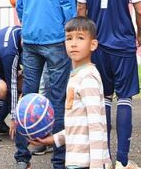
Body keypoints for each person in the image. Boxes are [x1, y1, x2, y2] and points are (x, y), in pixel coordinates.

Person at [76, 0, 141, 169]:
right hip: (123, 43)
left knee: (103, 98)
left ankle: (102, 158)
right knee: (124, 98)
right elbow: (140, 10)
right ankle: (123, 160)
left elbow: (81, 10)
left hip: (98, 44)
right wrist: (139, 34)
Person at [14, 0, 75, 169]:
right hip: (55, 39)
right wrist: (69, 34)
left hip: (30, 38)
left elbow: (20, 4)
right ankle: (59, 160)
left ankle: (21, 157)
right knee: (58, 98)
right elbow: (67, 3)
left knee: (27, 97)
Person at [31, 17, 110, 169]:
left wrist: (96, 165)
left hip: (88, 163)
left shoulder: (88, 78)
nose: (73, 43)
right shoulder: (76, 76)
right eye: (69, 38)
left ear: (93, 44)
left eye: (80, 38)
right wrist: (51, 140)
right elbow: (77, 127)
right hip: (76, 161)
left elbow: (96, 125)